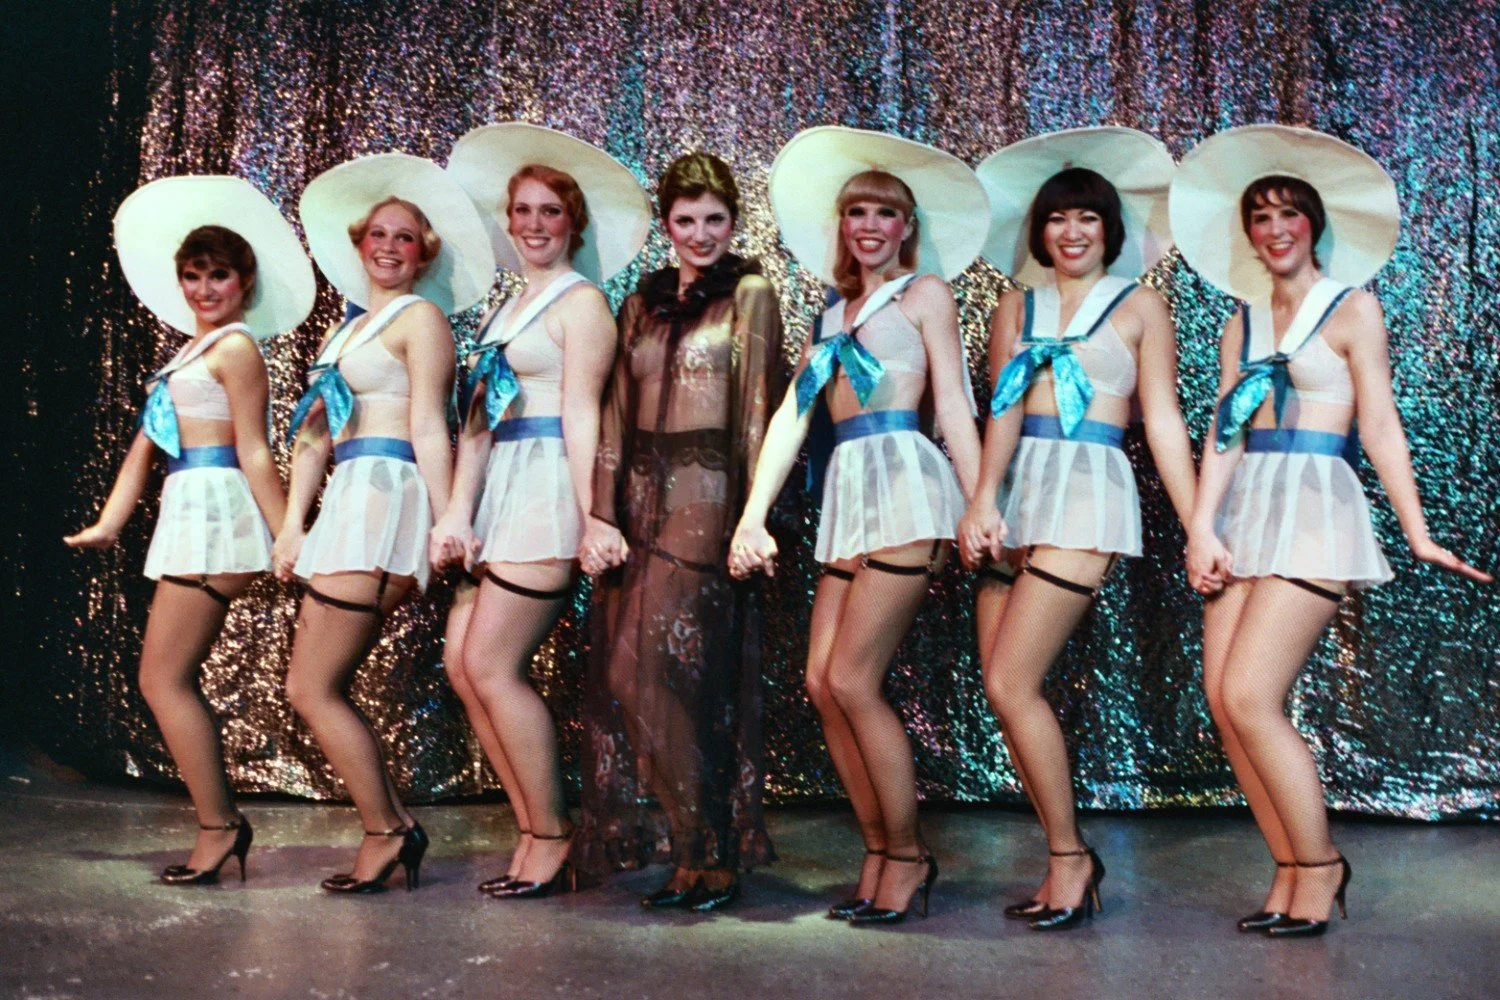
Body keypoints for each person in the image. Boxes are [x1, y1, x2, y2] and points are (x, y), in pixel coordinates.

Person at [1172, 124, 1491, 936]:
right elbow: (1224, 434)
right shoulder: (1240, 323)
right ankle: (1288, 867)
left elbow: (1380, 428)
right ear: (1247, 234)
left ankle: (1321, 866)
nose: (1276, 229)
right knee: (1222, 699)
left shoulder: (1353, 307)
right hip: (1248, 512)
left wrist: (1416, 533)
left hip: (1316, 509)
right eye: (1261, 217)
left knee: (1252, 692)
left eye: (1289, 214)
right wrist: (1201, 528)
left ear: (1312, 224)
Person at [731, 126, 987, 924]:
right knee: (819, 682)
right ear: (842, 227)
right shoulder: (828, 315)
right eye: (857, 212)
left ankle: (909, 855)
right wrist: (752, 517)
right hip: (849, 491)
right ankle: (878, 851)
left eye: (885, 211)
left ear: (906, 225)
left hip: (907, 485)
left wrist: (980, 502)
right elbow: (789, 418)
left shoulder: (926, 295)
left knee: (852, 678)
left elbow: (952, 404)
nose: (870, 224)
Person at [959, 128, 1197, 930]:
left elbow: (1163, 422)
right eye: (1058, 218)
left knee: (1009, 682)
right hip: (1019, 495)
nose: (1072, 232)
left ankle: (1071, 857)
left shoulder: (1140, 306)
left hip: (1089, 493)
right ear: (1039, 230)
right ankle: (1060, 854)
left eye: (1087, 219)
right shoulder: (1012, 306)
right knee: (1004, 691)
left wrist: (1199, 527)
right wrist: (982, 500)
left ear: (1109, 230)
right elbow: (1000, 412)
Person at [66, 176, 314, 883]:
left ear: (243, 283)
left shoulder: (236, 349)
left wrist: (285, 535)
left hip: (218, 513)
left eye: (219, 276)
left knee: (163, 678)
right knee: (165, 678)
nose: (206, 289)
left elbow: (256, 449)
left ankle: (220, 826)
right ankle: (219, 824)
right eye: (194, 277)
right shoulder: (185, 353)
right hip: (188, 510)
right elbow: (145, 447)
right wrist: (109, 525)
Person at [435, 123, 648, 898]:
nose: (532, 225)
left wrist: (596, 514)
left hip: (549, 490)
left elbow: (588, 416)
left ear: (573, 225)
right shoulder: (509, 307)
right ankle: (532, 830)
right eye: (521, 211)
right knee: (465, 668)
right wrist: (456, 511)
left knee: (492, 664)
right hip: (500, 492)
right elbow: (478, 421)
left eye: (549, 213)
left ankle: (557, 837)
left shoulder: (582, 303)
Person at [276, 153, 493, 893]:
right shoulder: (347, 332)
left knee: (311, 686)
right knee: (314, 683)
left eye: (405, 237)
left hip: (386, 497)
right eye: (379, 233)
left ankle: (385, 830)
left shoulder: (421, 318)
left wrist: (448, 521)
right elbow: (313, 434)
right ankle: (394, 826)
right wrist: (290, 526)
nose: (390, 246)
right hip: (346, 500)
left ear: (423, 252)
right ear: (359, 242)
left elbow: (433, 426)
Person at [576, 151, 782, 911]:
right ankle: (693, 849)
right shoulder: (640, 303)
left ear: (734, 223)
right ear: (666, 225)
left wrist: (753, 518)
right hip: (639, 499)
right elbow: (615, 412)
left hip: (707, 498)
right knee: (636, 681)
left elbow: (761, 407)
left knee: (668, 677)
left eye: (715, 220)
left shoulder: (752, 295)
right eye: (686, 220)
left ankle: (711, 852)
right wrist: (601, 509)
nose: (701, 234)